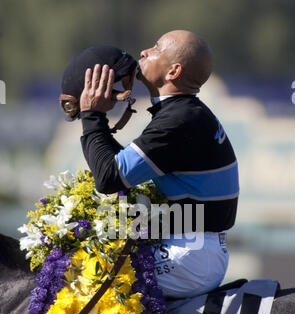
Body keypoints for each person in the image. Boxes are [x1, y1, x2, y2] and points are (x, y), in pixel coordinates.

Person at [70, 31, 239, 298]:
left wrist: (93, 115)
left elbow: (107, 177)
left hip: (191, 254)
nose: (145, 51)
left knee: (90, 285)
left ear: (173, 71)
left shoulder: (179, 120)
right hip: (194, 247)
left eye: (156, 48)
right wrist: (95, 118)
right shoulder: (183, 112)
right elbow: (118, 170)